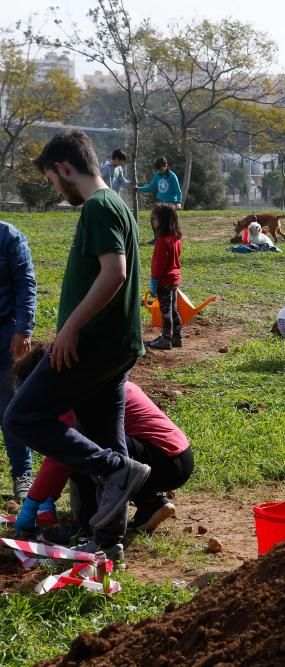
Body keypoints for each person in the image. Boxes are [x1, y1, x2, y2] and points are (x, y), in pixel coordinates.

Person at [5, 130, 150, 564]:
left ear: (64, 169)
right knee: (108, 437)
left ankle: (114, 471)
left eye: (52, 179)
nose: (55, 188)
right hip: (115, 347)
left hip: (91, 345)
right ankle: (108, 542)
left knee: (22, 416)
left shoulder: (100, 207)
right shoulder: (117, 206)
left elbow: (115, 273)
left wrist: (69, 328)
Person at [12, 345, 194, 540]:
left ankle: (87, 528)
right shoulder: (94, 383)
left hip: (162, 459)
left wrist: (34, 501)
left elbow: (60, 458)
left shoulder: (75, 400)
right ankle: (150, 504)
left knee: (83, 452)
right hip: (176, 458)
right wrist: (47, 497)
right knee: (103, 453)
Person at [0, 219, 36, 501]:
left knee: (10, 408)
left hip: (6, 336)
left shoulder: (9, 236)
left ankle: (22, 474)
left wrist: (23, 330)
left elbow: (25, 283)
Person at [146, 205, 183, 351]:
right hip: (174, 279)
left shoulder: (162, 241)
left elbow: (158, 264)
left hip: (164, 281)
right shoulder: (175, 238)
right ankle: (177, 337)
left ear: (162, 220)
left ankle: (166, 339)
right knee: (173, 309)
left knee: (165, 311)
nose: (152, 221)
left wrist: (154, 282)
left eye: (154, 218)